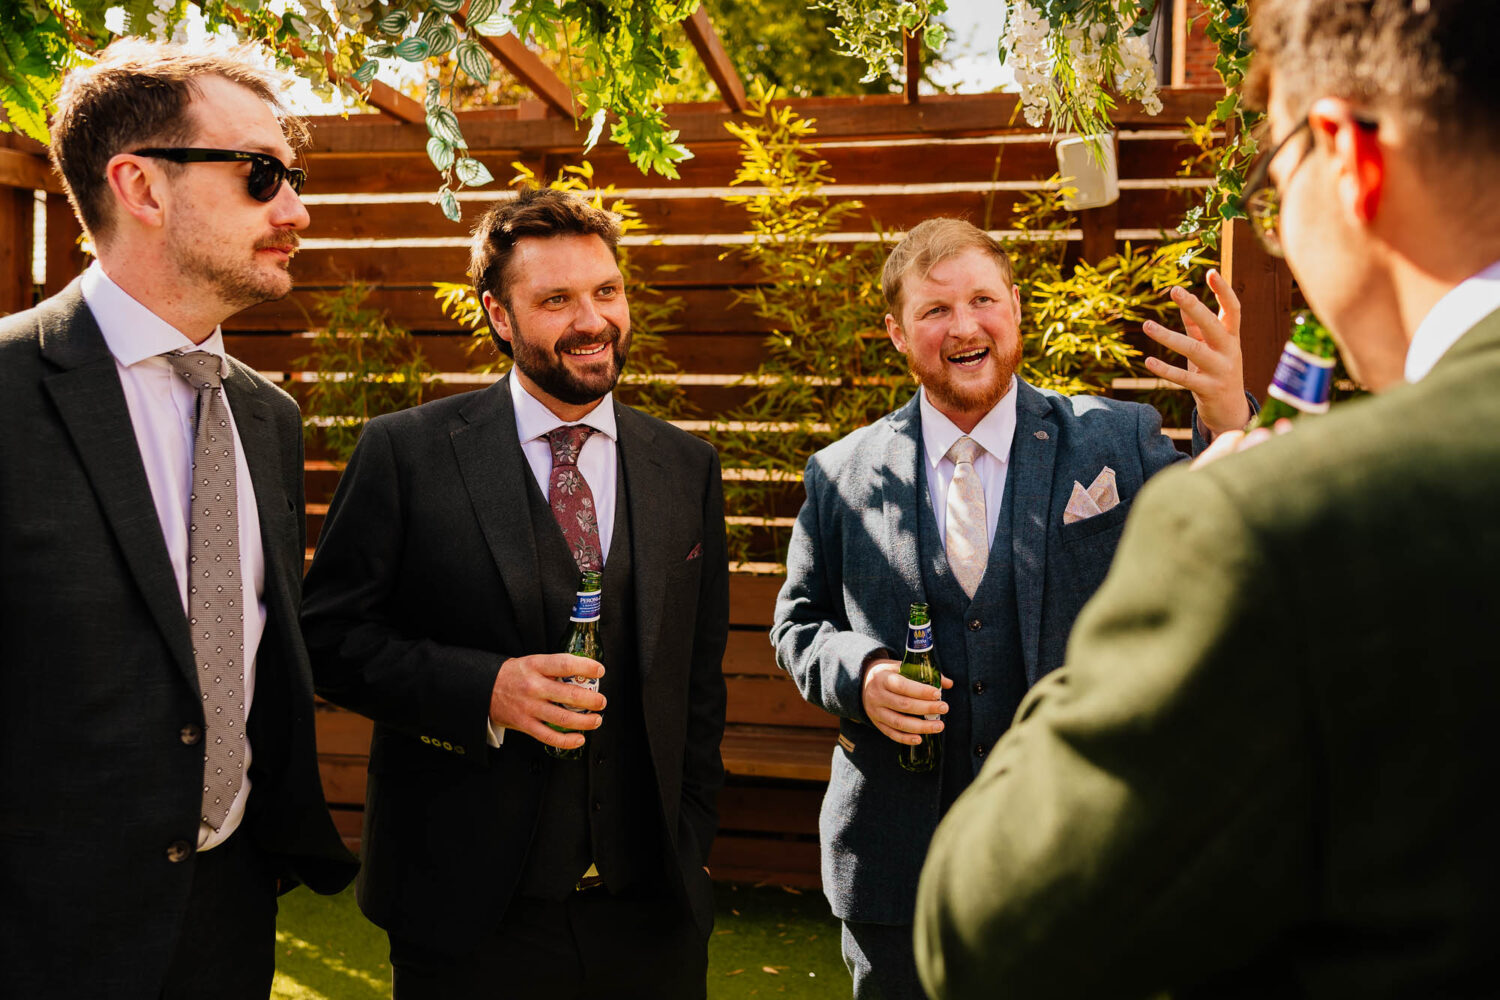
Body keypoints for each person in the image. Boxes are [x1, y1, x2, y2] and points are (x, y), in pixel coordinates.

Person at [914, 1, 1500, 997]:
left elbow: (983, 927)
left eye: (1275, 188)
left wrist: (1196, 551)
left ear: (1346, 155)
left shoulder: (1277, 525)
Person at [771, 215, 1251, 999]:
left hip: (1080, 848)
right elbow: (797, 625)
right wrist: (858, 676)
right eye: (934, 311)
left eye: (983, 300)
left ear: (1017, 308)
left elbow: (1224, 537)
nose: (965, 326)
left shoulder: (1114, 438)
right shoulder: (842, 473)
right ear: (898, 332)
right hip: (897, 860)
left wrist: (1230, 416)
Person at [301, 186, 730, 999]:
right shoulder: (406, 453)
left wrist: (690, 835)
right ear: (499, 316)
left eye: (606, 291)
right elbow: (327, 638)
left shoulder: (686, 464)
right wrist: (485, 691)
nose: (593, 321)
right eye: (557, 300)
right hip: (467, 914)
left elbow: (696, 677)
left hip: (651, 918)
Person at [0, 39, 357, 1000]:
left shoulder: (267, 415)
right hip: (41, 936)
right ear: (141, 188)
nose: (297, 210)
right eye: (263, 175)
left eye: (295, 177)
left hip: (230, 911)